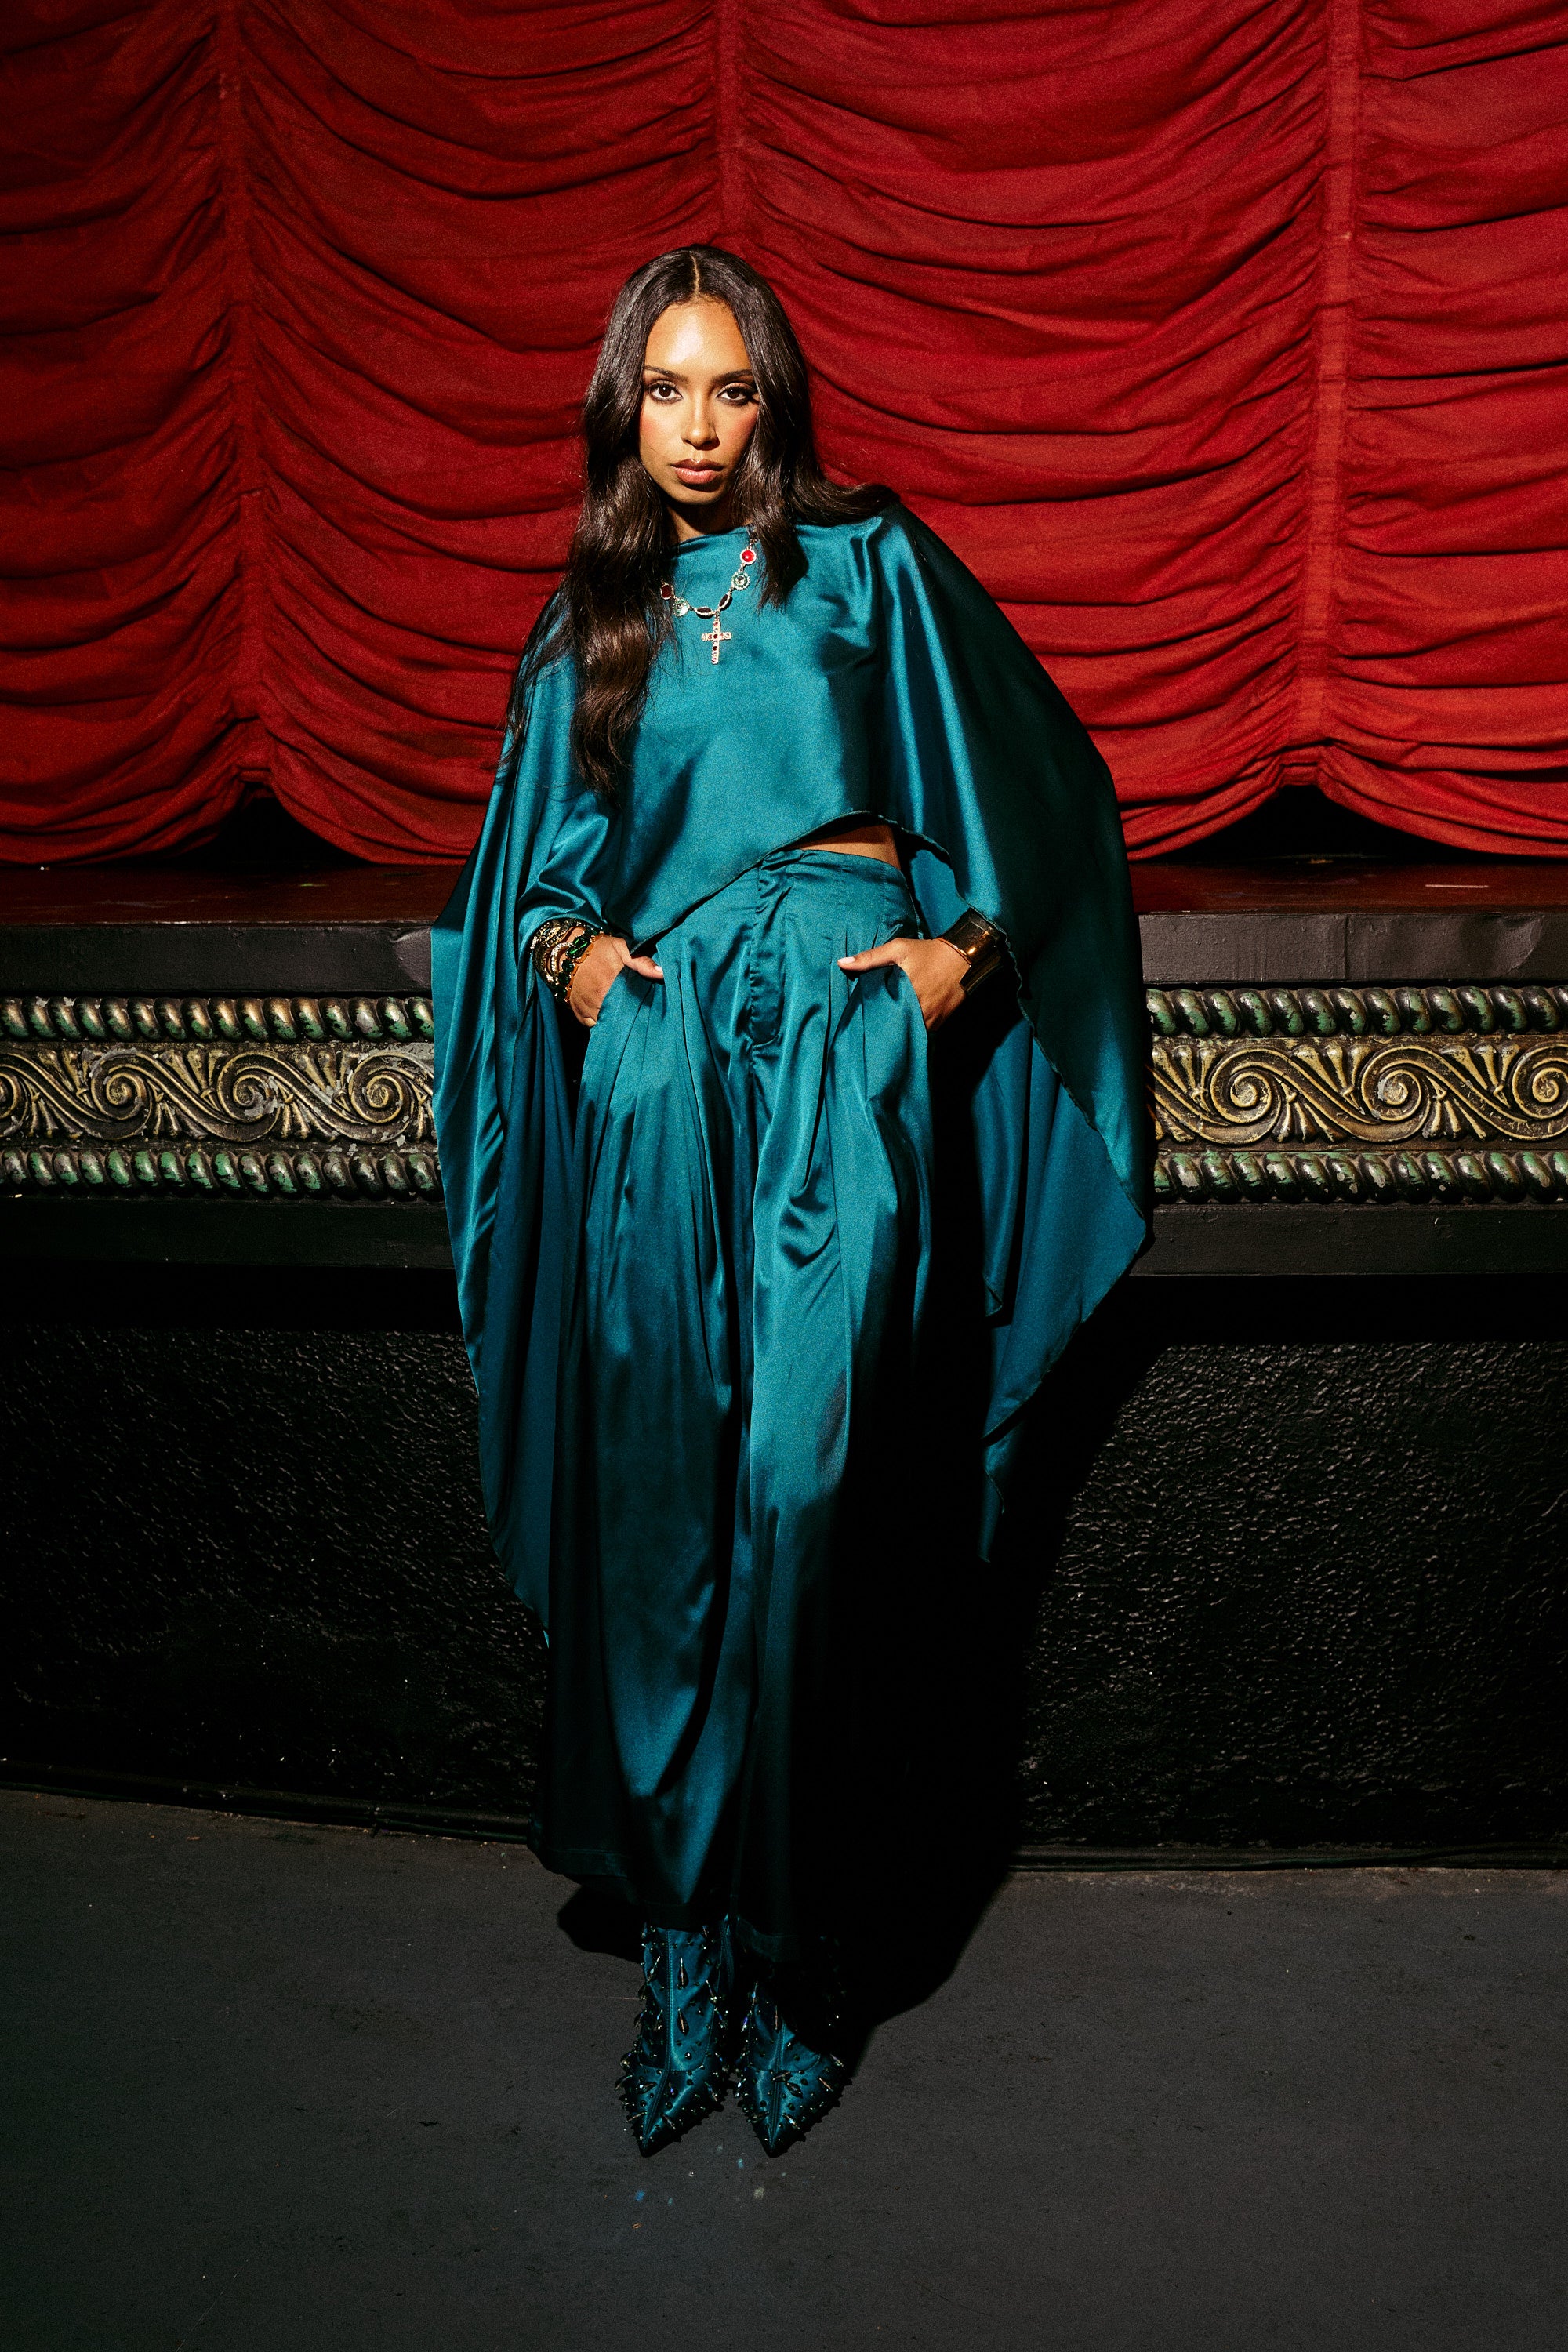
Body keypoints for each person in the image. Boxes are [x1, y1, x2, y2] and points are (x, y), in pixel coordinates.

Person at [432, 246, 1148, 2160]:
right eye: (659, 391)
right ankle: (685, 1935)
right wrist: (581, 972)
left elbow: (1042, 793)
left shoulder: (873, 564)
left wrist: (957, 962)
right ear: (620, 407)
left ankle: (804, 1933)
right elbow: (534, 880)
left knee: (810, 1483)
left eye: (724, 388)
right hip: (671, 1068)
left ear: (773, 399)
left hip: (839, 1052)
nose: (692, 426)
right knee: (667, 1482)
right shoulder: (590, 614)